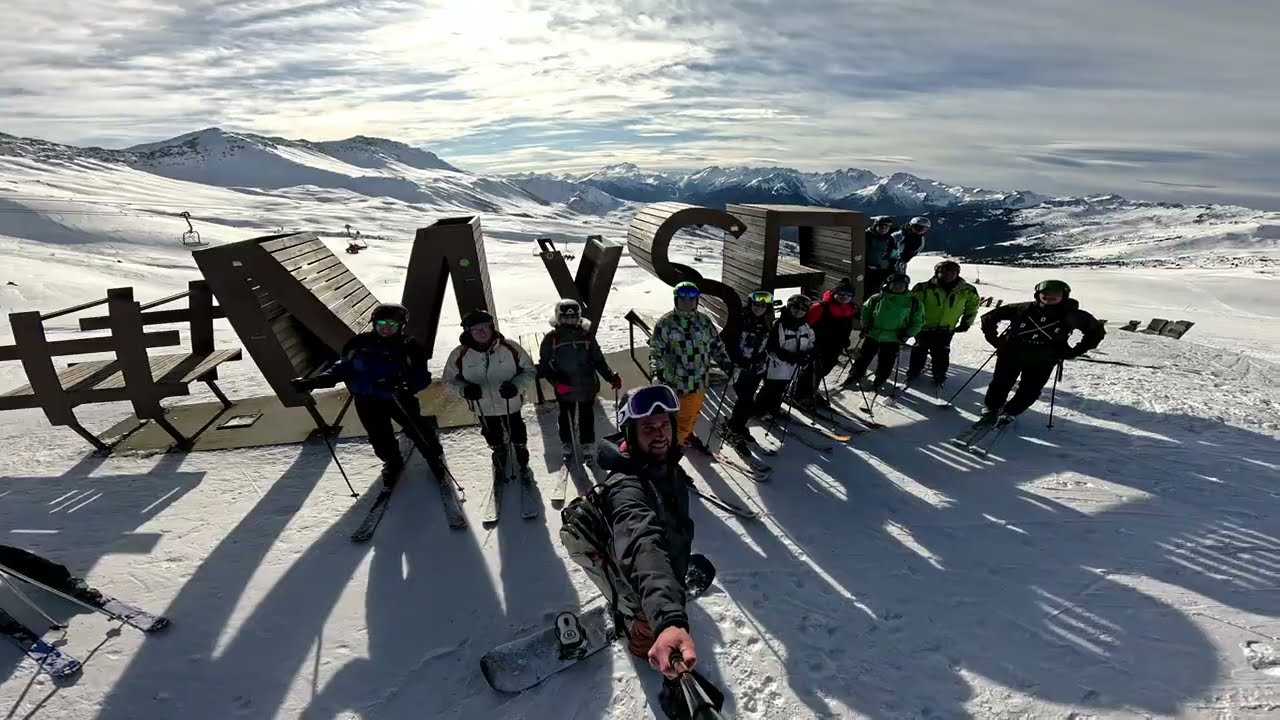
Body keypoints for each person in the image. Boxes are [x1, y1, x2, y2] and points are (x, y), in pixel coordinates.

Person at [559, 384, 702, 681]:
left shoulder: (664, 466)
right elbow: (642, 545)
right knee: (648, 633)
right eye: (648, 428)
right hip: (639, 579)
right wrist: (666, 621)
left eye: (665, 425)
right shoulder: (626, 487)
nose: (660, 434)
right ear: (630, 435)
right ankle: (638, 631)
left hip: (665, 567)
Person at [291, 303, 446, 488]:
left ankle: (433, 457)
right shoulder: (358, 344)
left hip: (398, 397)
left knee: (418, 429)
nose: (386, 328)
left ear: (401, 326)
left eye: (392, 325)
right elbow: (342, 368)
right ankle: (392, 461)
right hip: (367, 400)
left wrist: (403, 384)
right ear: (374, 323)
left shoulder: (409, 346)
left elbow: (422, 377)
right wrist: (314, 382)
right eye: (382, 323)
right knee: (379, 436)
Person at [979, 279, 1104, 423]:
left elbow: (1096, 332)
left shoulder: (1073, 315)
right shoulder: (1023, 308)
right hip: (1012, 354)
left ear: (1064, 295)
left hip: (1044, 360)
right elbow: (988, 318)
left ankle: (1011, 411)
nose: (1049, 296)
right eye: (1045, 293)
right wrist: (996, 341)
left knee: (1030, 390)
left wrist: (1075, 351)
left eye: (1055, 293)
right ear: (1037, 294)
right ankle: (991, 408)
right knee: (1001, 383)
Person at [444, 308, 538, 481]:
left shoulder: (510, 347)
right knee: (491, 433)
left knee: (516, 429)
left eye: (485, 327)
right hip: (483, 406)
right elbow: (449, 381)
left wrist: (516, 386)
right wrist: (464, 390)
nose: (481, 332)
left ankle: (521, 450)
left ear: (492, 327)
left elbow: (529, 370)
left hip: (510, 402)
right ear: (468, 332)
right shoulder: (459, 354)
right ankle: (499, 450)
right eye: (475, 329)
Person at [537, 298, 623, 469]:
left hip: (586, 385)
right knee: (565, 415)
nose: (570, 321)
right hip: (565, 386)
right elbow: (544, 365)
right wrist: (556, 381)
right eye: (565, 318)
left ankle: (587, 444)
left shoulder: (586, 336)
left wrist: (611, 377)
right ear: (558, 318)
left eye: (573, 317)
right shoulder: (552, 338)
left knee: (586, 416)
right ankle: (567, 443)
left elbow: (598, 360)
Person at [648, 281, 732, 448]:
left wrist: (727, 365)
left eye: (692, 298)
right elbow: (656, 351)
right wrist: (657, 373)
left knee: (693, 414)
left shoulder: (704, 321)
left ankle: (684, 435)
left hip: (700, 381)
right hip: (679, 383)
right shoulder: (666, 323)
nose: (688, 302)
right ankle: (671, 450)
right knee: (683, 418)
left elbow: (716, 346)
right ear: (676, 300)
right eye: (683, 298)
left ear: (697, 300)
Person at [841, 273, 924, 394]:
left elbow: (918, 321)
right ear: (888, 284)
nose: (897, 287)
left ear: (906, 286)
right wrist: (866, 326)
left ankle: (880, 378)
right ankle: (854, 375)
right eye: (894, 284)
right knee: (863, 357)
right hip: (873, 334)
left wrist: (907, 333)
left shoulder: (914, 302)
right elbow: (866, 311)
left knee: (886, 361)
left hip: (893, 338)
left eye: (901, 285)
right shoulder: (877, 298)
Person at [906, 260, 980, 388]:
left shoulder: (967, 290)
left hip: (946, 328)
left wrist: (966, 322)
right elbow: (911, 307)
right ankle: (914, 371)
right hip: (923, 327)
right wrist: (909, 324)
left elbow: (972, 307)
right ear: (937, 273)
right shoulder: (923, 288)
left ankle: (939, 374)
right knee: (919, 350)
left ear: (957, 273)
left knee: (941, 352)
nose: (948, 274)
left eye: (952, 272)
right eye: (944, 271)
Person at [721, 290, 774, 446]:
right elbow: (730, 344)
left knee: (748, 399)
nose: (759, 308)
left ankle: (738, 425)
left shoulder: (767, 321)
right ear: (751, 304)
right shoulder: (740, 320)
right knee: (746, 401)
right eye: (756, 305)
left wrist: (763, 357)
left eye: (763, 305)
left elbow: (768, 343)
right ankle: (734, 428)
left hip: (757, 369)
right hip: (740, 368)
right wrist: (740, 361)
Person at [795, 277, 858, 407]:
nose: (844, 297)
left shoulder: (849, 308)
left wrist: (844, 340)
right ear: (834, 292)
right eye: (841, 293)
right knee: (810, 372)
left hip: (835, 347)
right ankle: (799, 395)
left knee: (823, 371)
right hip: (817, 346)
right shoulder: (820, 307)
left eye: (848, 295)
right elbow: (805, 326)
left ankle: (811, 391)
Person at [753, 294, 816, 419]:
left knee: (781, 389)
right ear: (789, 307)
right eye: (796, 308)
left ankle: (774, 408)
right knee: (770, 388)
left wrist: (809, 355)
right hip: (775, 366)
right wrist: (791, 357)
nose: (799, 312)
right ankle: (759, 409)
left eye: (803, 310)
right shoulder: (779, 324)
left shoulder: (805, 326)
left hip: (792, 367)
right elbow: (772, 347)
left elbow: (811, 342)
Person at [863, 216, 898, 292]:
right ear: (875, 225)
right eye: (881, 226)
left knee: (876, 291)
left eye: (887, 226)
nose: (884, 228)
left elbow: (894, 255)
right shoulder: (866, 235)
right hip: (865, 270)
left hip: (881, 271)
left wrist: (891, 267)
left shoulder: (890, 240)